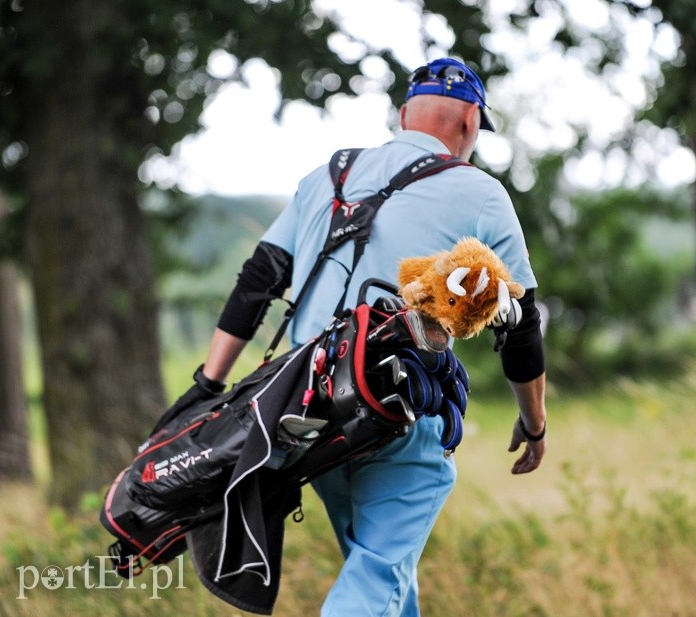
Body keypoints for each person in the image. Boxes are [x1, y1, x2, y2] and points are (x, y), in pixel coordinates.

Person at [178, 57, 547, 616]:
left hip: (303, 409)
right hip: (393, 407)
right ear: (471, 122)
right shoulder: (480, 193)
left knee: (385, 574)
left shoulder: (332, 174)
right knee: (379, 571)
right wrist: (535, 421)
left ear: (403, 115)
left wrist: (210, 382)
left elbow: (260, 280)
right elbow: (520, 326)